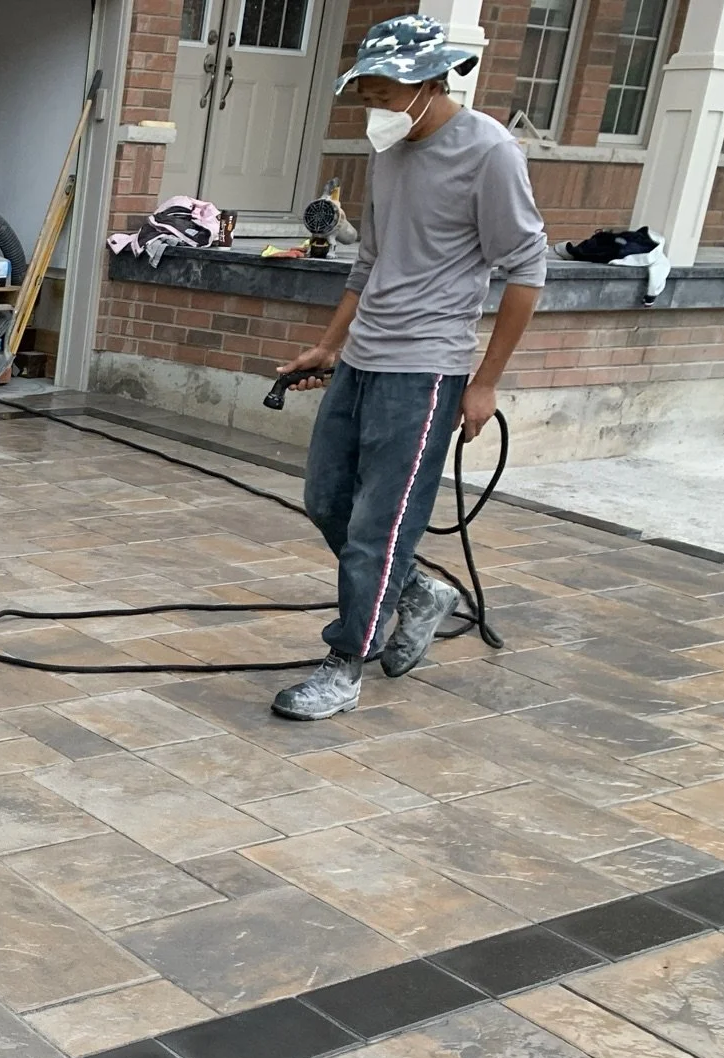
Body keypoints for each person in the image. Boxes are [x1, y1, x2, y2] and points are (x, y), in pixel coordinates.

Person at [269, 14, 547, 721]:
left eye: (384, 95)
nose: (375, 110)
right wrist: (331, 345)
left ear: (428, 83)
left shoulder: (490, 152)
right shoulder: (388, 152)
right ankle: (420, 592)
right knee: (327, 500)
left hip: (425, 371)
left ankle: (344, 665)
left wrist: (483, 382)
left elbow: (527, 269)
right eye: (366, 96)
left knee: (378, 527)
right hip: (363, 357)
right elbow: (370, 259)